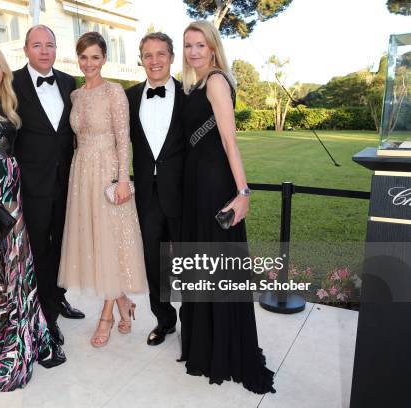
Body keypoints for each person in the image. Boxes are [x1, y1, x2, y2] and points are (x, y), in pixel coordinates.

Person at [177, 20, 275, 394]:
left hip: (213, 185)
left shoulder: (216, 81)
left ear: (214, 47)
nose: (193, 51)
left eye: (200, 44)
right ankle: (207, 344)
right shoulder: (195, 84)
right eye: (188, 45)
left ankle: (224, 349)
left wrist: (243, 192)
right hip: (194, 185)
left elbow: (230, 142)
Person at [0, 43, 66, 392]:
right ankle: (17, 344)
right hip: (0, 194)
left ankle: (20, 334)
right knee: (15, 266)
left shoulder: (5, 102)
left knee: (16, 268)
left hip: (16, 186)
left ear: (4, 70)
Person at [0, 25, 85, 346]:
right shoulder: (12, 83)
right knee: (36, 250)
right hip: (29, 185)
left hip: (66, 182)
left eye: (49, 45)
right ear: (25, 49)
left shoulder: (69, 83)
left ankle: (56, 296)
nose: (44, 51)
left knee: (61, 245)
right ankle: (44, 317)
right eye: (37, 45)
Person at [57, 32, 148, 348]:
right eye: (83, 57)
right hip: (82, 171)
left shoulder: (114, 92)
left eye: (95, 57)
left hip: (108, 171)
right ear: (78, 59)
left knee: (110, 240)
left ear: (104, 59)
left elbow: (124, 139)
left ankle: (107, 315)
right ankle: (123, 301)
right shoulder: (76, 95)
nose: (89, 63)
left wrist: (123, 180)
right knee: (96, 240)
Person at [125, 32, 185, 347]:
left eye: (161, 53)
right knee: (154, 261)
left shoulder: (191, 94)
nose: (155, 60)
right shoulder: (130, 96)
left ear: (172, 57)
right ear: (141, 59)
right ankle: (164, 320)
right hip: (147, 195)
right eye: (148, 55)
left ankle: (194, 321)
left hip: (184, 193)